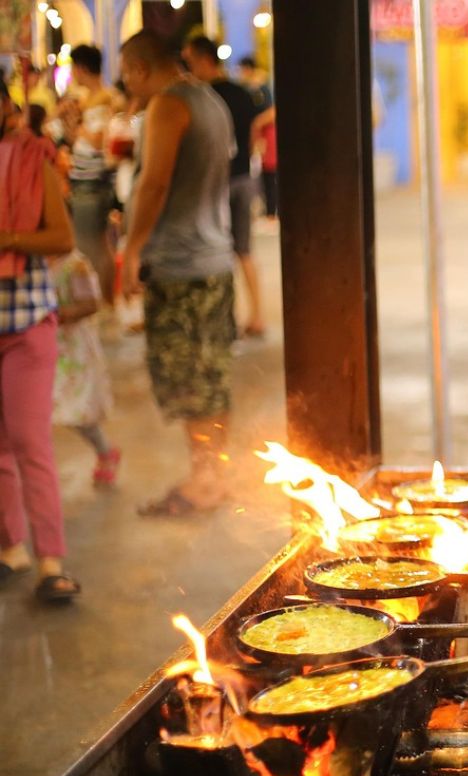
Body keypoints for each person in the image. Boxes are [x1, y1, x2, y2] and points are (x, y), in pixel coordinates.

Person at [119, 30, 237, 515]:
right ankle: (211, 474)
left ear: (140, 69)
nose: (125, 84)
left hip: (181, 267)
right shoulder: (208, 99)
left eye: (126, 73)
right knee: (210, 375)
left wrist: (131, 251)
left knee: (192, 380)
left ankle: (205, 482)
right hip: (212, 258)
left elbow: (154, 183)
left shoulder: (169, 105)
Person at [0, 89, 81, 601]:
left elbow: (62, 238)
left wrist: (8, 238)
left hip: (27, 324)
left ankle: (51, 563)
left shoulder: (35, 158)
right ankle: (12, 548)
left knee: (30, 442)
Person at [183, 36, 266, 337]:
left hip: (217, 183)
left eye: (190, 62)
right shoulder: (242, 93)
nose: (188, 70)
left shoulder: (203, 98)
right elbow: (256, 128)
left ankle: (225, 318)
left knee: (217, 252)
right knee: (244, 250)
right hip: (245, 177)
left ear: (204, 60)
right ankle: (257, 315)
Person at [64, 45, 124, 314]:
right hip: (85, 179)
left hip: (93, 181)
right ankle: (105, 304)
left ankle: (106, 305)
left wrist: (77, 126)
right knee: (97, 245)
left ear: (82, 68)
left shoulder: (104, 100)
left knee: (94, 247)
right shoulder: (89, 99)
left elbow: (100, 141)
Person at [52, 251, 119, 486]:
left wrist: (55, 315)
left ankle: (105, 452)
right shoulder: (31, 260)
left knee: (77, 413)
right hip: (44, 349)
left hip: (73, 352)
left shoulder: (76, 264)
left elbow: (92, 304)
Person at [238, 57, 277, 219]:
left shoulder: (262, 89)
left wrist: (257, 124)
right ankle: (267, 210)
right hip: (258, 135)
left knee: (269, 174)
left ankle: (271, 212)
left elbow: (271, 111)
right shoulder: (249, 89)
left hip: (265, 136)